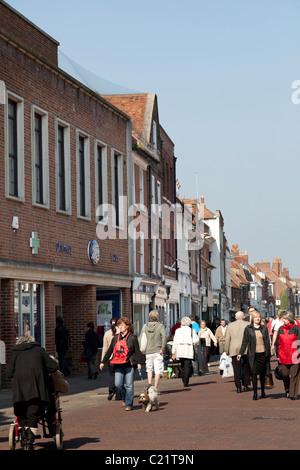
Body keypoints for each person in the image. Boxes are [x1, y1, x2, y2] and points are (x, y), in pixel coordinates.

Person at [6, 335, 59, 450]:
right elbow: (54, 366)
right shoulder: (39, 351)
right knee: (32, 415)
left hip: (19, 392)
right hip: (36, 390)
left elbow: (9, 373)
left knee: (22, 416)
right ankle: (28, 445)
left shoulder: (16, 353)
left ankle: (25, 443)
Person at [100, 317, 142, 411]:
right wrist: (103, 362)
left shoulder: (132, 337)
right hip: (118, 364)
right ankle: (125, 397)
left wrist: (139, 363)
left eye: (123, 325)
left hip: (130, 364)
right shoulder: (115, 338)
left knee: (129, 384)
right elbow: (110, 350)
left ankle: (129, 404)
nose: (121, 327)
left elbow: (137, 351)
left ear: (127, 326)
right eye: (120, 325)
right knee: (118, 384)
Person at [238, 310, 271, 400]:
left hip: (262, 354)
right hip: (253, 355)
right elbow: (245, 342)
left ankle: (263, 391)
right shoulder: (248, 328)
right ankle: (255, 393)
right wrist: (240, 353)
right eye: (256, 317)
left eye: (259, 317)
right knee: (253, 374)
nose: (258, 318)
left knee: (262, 374)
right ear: (252, 318)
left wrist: (269, 353)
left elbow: (267, 342)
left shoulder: (264, 328)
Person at [274, 311, 300, 400]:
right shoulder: (281, 328)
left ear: (289, 319)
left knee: (294, 375)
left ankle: (293, 394)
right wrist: (277, 354)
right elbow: (278, 343)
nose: (283, 320)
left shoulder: (296, 328)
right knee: (285, 374)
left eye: (285, 319)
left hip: (295, 356)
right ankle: (288, 390)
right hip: (283, 356)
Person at [139, 310, 167, 390]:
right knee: (158, 370)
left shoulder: (145, 326)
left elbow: (141, 338)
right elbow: (164, 337)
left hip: (148, 351)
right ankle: (155, 388)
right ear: (157, 317)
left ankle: (150, 383)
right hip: (158, 351)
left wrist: (142, 349)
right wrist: (162, 348)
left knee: (149, 369)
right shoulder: (160, 326)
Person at [225, 311, 250, 393]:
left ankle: (238, 387)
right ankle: (246, 385)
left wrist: (227, 350)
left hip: (234, 349)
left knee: (236, 368)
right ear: (243, 317)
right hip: (246, 348)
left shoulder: (230, 325)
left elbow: (227, 339)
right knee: (246, 367)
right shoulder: (248, 324)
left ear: (235, 317)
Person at [172, 317, 199, 387]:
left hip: (179, 349)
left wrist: (173, 352)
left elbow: (175, 341)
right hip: (188, 349)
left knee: (182, 365)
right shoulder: (192, 330)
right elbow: (196, 340)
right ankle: (186, 381)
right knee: (187, 365)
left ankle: (184, 379)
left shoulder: (178, 331)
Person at [101, 318, 122, 401]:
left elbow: (105, 348)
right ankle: (119, 395)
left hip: (110, 359)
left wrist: (103, 360)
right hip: (120, 358)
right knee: (120, 375)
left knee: (112, 374)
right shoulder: (120, 333)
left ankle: (111, 390)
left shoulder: (107, 334)